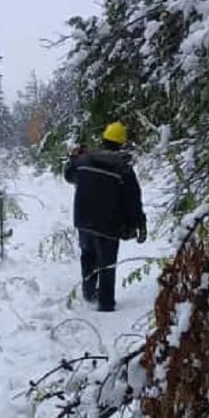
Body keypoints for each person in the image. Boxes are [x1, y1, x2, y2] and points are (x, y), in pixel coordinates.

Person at [63, 121, 147, 312]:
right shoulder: (123, 169)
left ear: (103, 139)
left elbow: (69, 176)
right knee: (107, 264)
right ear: (122, 144)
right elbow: (133, 200)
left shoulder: (84, 161)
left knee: (87, 257)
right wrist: (139, 223)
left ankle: (89, 293)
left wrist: (72, 158)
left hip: (83, 221)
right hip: (109, 225)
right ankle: (105, 304)